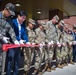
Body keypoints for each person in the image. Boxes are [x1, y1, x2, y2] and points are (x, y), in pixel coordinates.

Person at [6, 11, 28, 75]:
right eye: (22, 18)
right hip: (12, 44)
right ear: (18, 16)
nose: (23, 20)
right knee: (10, 61)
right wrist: (19, 39)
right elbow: (12, 33)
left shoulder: (23, 25)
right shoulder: (12, 22)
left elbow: (24, 34)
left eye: (25, 18)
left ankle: (15, 73)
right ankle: (8, 73)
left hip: (18, 46)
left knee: (17, 61)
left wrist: (27, 41)